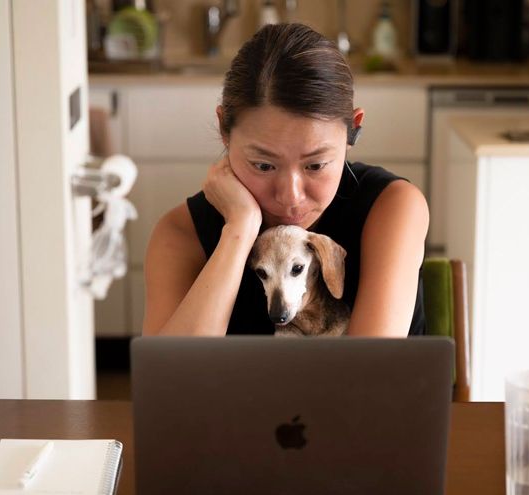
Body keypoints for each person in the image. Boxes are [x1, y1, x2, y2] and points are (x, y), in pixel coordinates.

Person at [142, 23, 428, 337]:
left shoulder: (392, 207)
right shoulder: (179, 235)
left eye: (315, 165)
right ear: (224, 129)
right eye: (264, 165)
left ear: (353, 130)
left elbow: (371, 367)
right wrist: (239, 230)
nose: (291, 197)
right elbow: (174, 370)